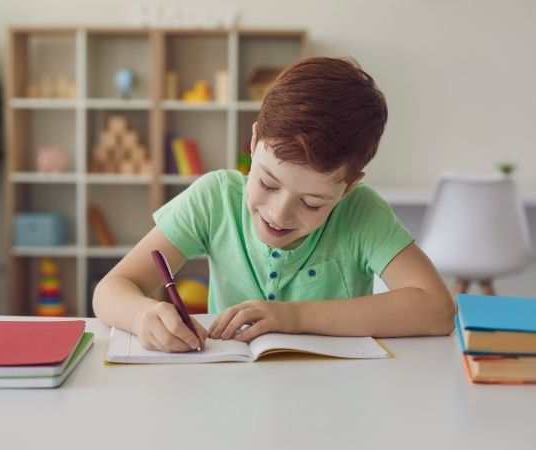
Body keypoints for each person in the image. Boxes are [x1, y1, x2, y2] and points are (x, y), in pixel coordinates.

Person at [93, 56, 455, 353]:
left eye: (312, 203)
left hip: (339, 400)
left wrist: (293, 317)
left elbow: (437, 309)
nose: (279, 214)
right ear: (253, 143)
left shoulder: (361, 213)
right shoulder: (214, 199)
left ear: (348, 188)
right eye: (267, 182)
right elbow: (111, 289)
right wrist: (144, 315)